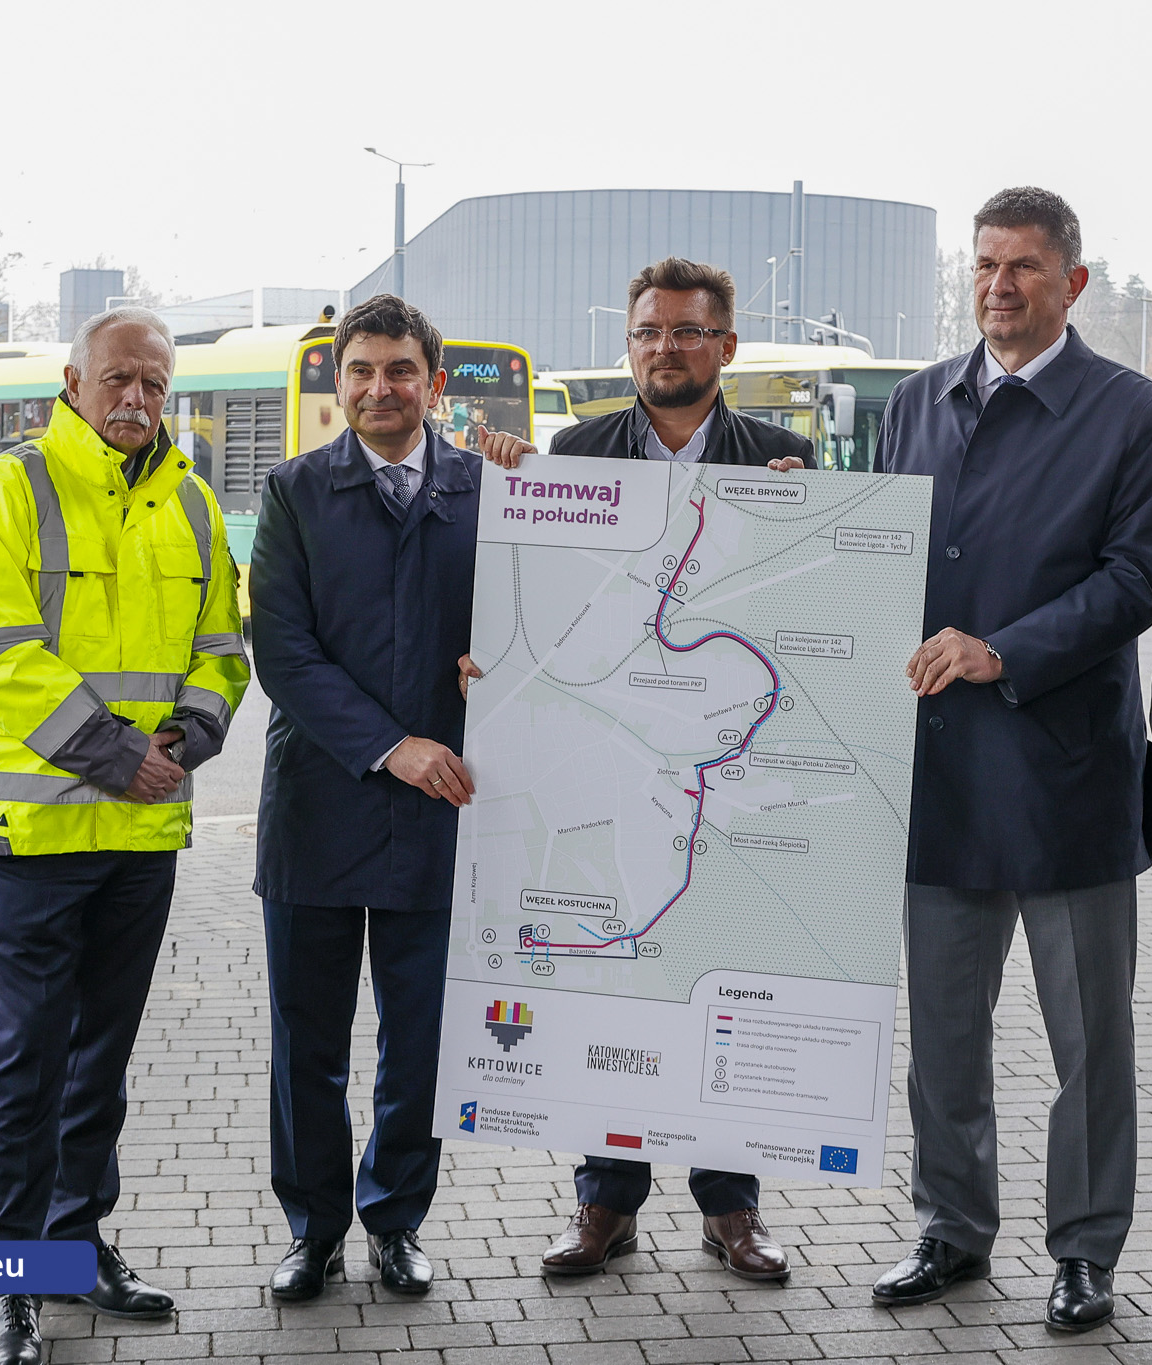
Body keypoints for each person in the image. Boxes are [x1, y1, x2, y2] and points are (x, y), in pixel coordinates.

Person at [867, 188, 1152, 1331]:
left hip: (1062, 776)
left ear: (1072, 284)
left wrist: (1000, 651)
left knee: (1086, 1043)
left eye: (1025, 268)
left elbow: (1135, 579)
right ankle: (950, 1229)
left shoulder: (1132, 412)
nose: (999, 286)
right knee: (943, 1036)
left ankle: (1085, 1251)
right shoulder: (913, 402)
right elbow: (876, 559)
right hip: (937, 777)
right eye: (985, 266)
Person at [474, 256, 808, 1283]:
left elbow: (803, 613)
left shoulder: (784, 460)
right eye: (647, 333)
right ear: (630, 346)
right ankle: (602, 1207)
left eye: (686, 333)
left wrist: (807, 518)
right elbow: (542, 607)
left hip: (717, 761)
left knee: (719, 978)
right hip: (609, 748)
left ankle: (730, 1211)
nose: (664, 349)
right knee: (612, 971)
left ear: (726, 348)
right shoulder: (576, 453)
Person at [0, 306, 249, 1365]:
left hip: (140, 832)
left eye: (155, 385)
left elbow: (222, 644)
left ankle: (73, 1247)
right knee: (29, 1055)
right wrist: (118, 751)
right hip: (33, 830)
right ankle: (9, 1282)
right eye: (119, 378)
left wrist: (194, 730)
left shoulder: (194, 506)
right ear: (72, 382)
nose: (136, 399)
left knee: (100, 1057)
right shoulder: (5, 491)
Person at [249, 294, 480, 1302]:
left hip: (443, 816)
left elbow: (551, 619)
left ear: (432, 381)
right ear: (336, 383)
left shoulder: (491, 492)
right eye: (359, 372)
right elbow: (283, 654)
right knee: (307, 1041)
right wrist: (392, 747)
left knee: (419, 1043)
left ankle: (394, 1220)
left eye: (398, 370)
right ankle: (312, 1229)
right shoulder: (294, 491)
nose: (378, 389)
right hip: (318, 811)